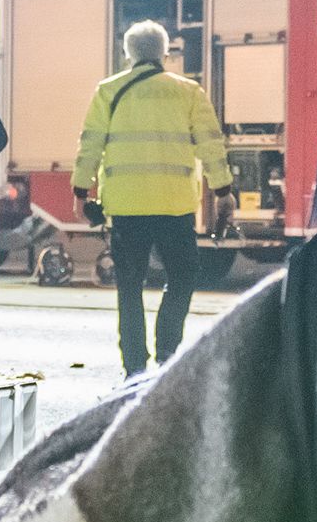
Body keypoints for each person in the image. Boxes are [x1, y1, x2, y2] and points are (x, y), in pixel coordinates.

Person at [72, 19, 228, 376]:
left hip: (127, 207)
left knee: (129, 287)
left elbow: (90, 145)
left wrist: (81, 191)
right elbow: (210, 144)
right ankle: (168, 351)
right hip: (175, 206)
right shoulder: (188, 92)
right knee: (183, 277)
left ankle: (134, 366)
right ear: (165, 53)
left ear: (127, 53)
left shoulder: (108, 91)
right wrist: (223, 190)